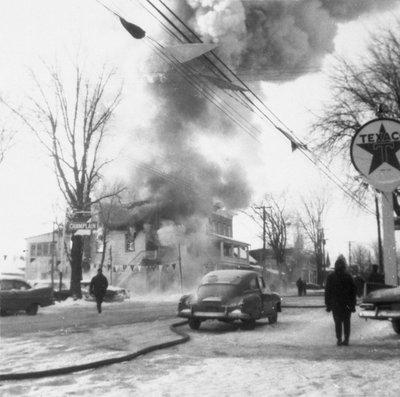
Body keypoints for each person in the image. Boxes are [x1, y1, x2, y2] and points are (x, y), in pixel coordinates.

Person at [325, 257, 357, 346]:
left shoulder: (331, 277)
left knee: (337, 323)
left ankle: (339, 339)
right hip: (346, 304)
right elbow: (353, 292)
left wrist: (328, 305)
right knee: (346, 322)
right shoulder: (348, 277)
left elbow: (328, 292)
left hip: (336, 304)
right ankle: (346, 339)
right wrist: (353, 304)